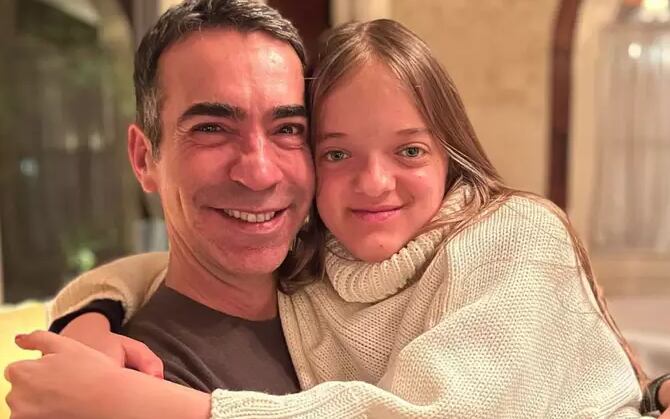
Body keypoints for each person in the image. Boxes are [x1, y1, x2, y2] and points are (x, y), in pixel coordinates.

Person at [5, 8, 670, 419]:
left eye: (287, 130)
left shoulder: (499, 235)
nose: (260, 171)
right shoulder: (137, 368)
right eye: (212, 128)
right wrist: (89, 314)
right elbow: (147, 269)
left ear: (451, 155)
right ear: (144, 156)